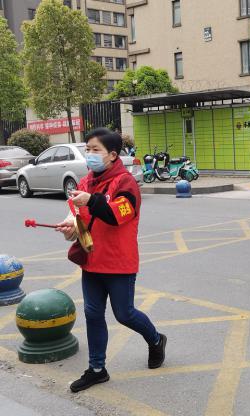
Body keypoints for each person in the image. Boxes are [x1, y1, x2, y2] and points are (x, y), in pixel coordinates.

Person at [55, 128, 166, 392]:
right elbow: (78, 219)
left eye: (96, 150)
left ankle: (155, 339)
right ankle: (97, 369)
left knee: (124, 314)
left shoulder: (126, 183)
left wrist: (91, 201)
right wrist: (70, 227)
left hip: (119, 262)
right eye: (88, 149)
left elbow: (118, 215)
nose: (90, 154)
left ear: (113, 155)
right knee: (92, 314)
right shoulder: (85, 183)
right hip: (92, 260)